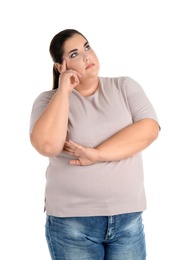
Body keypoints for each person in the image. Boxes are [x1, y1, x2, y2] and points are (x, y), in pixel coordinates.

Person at [29, 28, 160, 260]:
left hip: (127, 219)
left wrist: (97, 154)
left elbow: (149, 129)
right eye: (74, 54)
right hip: (72, 225)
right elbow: (47, 145)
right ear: (60, 67)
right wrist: (63, 91)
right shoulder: (47, 101)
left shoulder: (124, 87)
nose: (87, 56)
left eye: (87, 47)